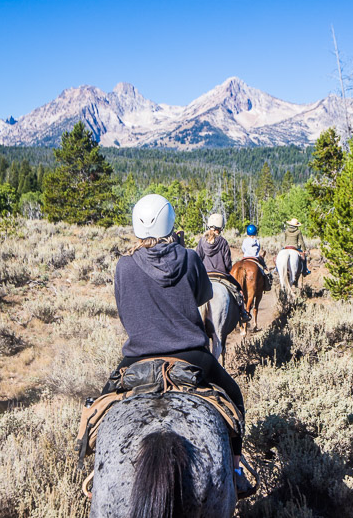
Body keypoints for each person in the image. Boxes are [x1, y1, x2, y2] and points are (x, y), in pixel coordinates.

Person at [109, 194, 253, 496]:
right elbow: (203, 298)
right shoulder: (189, 257)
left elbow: (125, 312)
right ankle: (237, 470)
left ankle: (97, 474)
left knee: (97, 411)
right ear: (169, 221)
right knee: (235, 397)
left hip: (137, 358)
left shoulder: (123, 266)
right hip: (192, 357)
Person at [195, 213, 251, 322]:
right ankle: (243, 313)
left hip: (205, 277)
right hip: (221, 276)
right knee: (238, 291)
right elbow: (227, 265)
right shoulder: (223, 242)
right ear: (221, 227)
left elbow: (197, 260)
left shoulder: (201, 242)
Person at [242, 224, 272, 290]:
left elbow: (243, 249)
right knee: (264, 271)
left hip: (246, 257)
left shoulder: (245, 240)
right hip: (255, 257)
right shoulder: (257, 241)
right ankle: (267, 284)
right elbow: (258, 249)